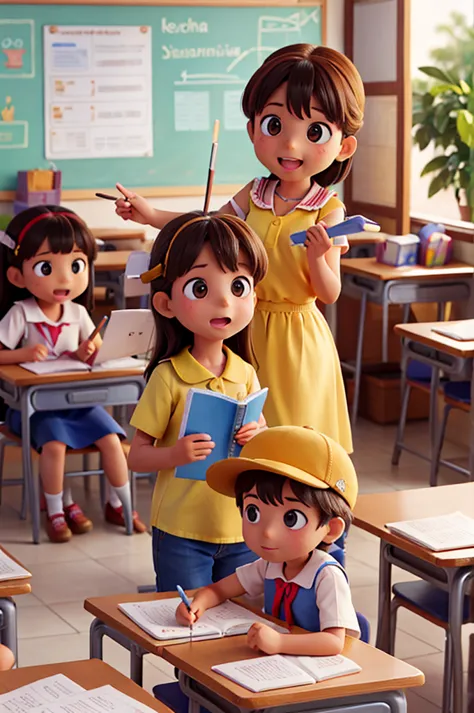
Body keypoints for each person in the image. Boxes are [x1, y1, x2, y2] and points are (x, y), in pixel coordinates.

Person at [114, 45, 364, 452]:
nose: (292, 144)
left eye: (314, 131)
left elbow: (329, 293)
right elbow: (207, 225)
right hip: (240, 323)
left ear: (344, 146)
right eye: (274, 123)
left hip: (296, 340)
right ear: (253, 130)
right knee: (240, 441)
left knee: (292, 445)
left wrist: (318, 256)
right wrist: (149, 214)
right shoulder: (255, 192)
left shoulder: (330, 210)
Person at [127, 211, 268, 591]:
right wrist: (174, 455)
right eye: (200, 289)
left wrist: (259, 437)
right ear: (166, 303)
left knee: (237, 624)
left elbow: (263, 438)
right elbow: (136, 456)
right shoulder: (168, 377)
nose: (224, 300)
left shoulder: (246, 373)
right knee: (186, 625)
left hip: (242, 526)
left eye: (239, 286)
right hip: (181, 528)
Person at [0, 205, 146, 543]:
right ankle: (55, 511)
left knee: (113, 440)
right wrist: (21, 354)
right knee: (54, 446)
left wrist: (88, 351)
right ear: (17, 276)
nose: (65, 279)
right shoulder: (21, 313)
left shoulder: (78, 312)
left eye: (76, 265)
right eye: (47, 267)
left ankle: (119, 504)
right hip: (33, 410)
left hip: (78, 403)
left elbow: (87, 349)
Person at [176, 426, 360, 656]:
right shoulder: (270, 565)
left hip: (314, 676)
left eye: (291, 518)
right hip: (274, 669)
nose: (268, 533)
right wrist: (196, 605)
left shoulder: (326, 576)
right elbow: (219, 589)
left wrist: (280, 643)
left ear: (330, 528)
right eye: (253, 513)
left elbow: (334, 643)